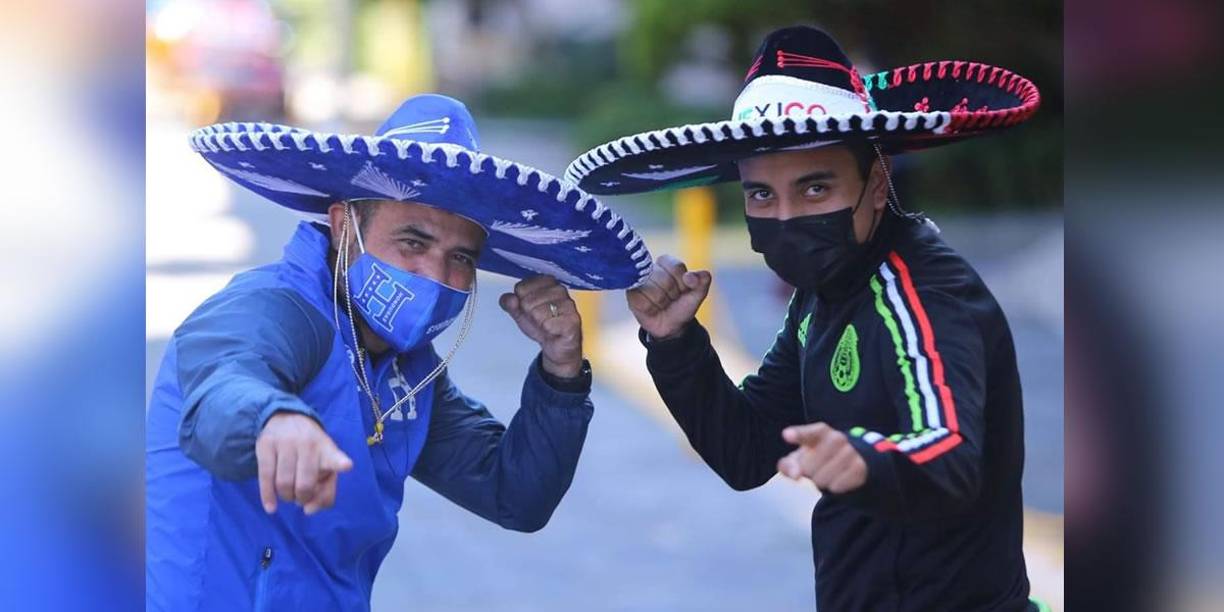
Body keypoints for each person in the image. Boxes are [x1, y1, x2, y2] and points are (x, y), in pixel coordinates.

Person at [565, 26, 1047, 611]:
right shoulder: (823, 292)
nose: (787, 218)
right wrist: (675, 342)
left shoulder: (923, 293)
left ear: (876, 183)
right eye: (761, 196)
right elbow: (748, 452)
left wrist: (866, 459)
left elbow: (951, 457)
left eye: (815, 188)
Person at [146, 94, 651, 611]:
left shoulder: (406, 371)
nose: (435, 275)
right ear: (345, 228)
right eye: (412, 242)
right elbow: (219, 388)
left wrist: (560, 370)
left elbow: (516, 495)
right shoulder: (270, 308)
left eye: (460, 257)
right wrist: (275, 418)